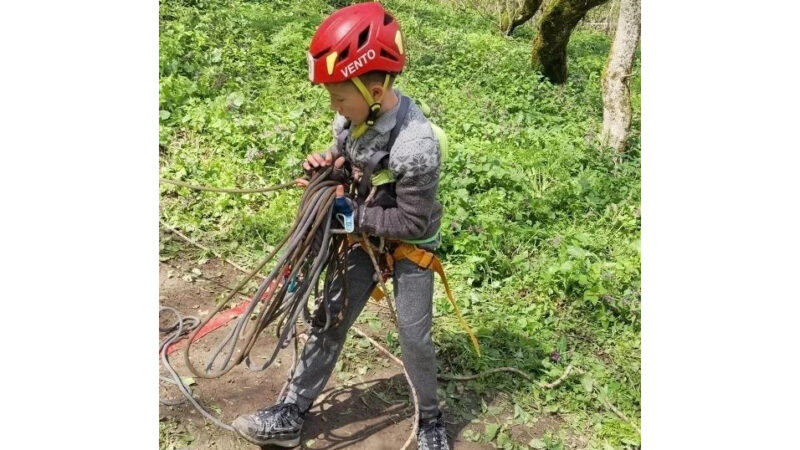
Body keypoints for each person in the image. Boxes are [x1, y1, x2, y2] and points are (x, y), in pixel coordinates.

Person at [232, 3, 449, 449]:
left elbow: (412, 221)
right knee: (330, 316)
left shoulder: (416, 145)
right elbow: (347, 159)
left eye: (339, 97)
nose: (334, 106)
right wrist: (327, 166)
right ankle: (291, 411)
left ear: (375, 90)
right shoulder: (351, 118)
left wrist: (347, 212)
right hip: (362, 231)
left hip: (410, 244)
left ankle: (431, 420)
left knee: (414, 337)